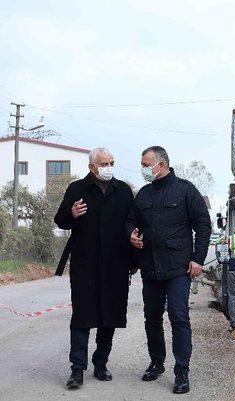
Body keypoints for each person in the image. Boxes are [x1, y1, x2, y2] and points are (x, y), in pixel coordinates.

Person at [127, 146, 211, 395]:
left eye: (146, 164)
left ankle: (182, 370)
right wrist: (131, 234)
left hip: (178, 268)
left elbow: (203, 225)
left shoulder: (185, 190)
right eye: (141, 164)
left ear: (161, 164)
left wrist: (198, 259)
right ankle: (157, 362)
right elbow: (131, 221)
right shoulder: (143, 194)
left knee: (178, 315)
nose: (143, 169)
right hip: (150, 267)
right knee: (151, 318)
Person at [54, 147, 134, 390]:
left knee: (109, 316)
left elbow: (132, 225)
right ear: (91, 167)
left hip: (115, 264)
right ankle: (77, 368)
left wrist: (133, 261)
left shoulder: (123, 191)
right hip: (85, 264)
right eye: (104, 163)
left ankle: (101, 363)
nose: (109, 167)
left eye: (112, 162)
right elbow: (60, 220)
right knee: (82, 316)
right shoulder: (77, 189)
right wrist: (72, 213)